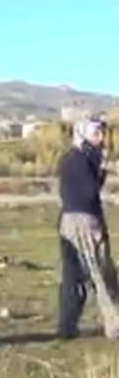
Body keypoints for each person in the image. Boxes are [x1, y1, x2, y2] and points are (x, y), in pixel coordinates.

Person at [57, 117, 119, 340]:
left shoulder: (74, 157)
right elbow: (89, 191)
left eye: (102, 133)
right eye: (96, 133)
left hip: (71, 221)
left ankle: (67, 327)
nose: (101, 138)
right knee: (100, 272)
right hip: (84, 221)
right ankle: (115, 325)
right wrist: (101, 168)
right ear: (83, 134)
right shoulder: (79, 159)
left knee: (74, 277)